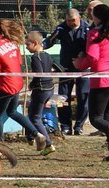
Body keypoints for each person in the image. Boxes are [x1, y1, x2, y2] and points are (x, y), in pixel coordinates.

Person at [73, 4, 109, 161]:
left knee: (96, 119)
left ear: (97, 17)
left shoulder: (94, 34)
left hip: (102, 79)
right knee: (108, 116)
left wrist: (79, 64)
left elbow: (93, 58)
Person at [0, 20, 46, 152]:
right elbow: (19, 61)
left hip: (6, 85)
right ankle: (36, 134)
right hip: (16, 81)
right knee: (12, 111)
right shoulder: (11, 43)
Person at [43, 8, 89, 136]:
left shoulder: (87, 28)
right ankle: (65, 126)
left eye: (73, 20)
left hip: (83, 67)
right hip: (65, 68)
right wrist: (40, 46)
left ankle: (79, 126)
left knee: (83, 97)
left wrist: (82, 56)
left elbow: (92, 45)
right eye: (68, 21)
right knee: (63, 98)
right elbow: (50, 41)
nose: (71, 23)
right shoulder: (61, 28)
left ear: (79, 18)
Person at [25, 31, 56, 156]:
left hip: (41, 89)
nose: (26, 47)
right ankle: (31, 136)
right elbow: (58, 68)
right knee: (31, 114)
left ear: (35, 43)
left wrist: (32, 85)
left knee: (35, 118)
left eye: (28, 44)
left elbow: (39, 74)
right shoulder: (48, 55)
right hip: (50, 89)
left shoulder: (36, 57)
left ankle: (48, 143)